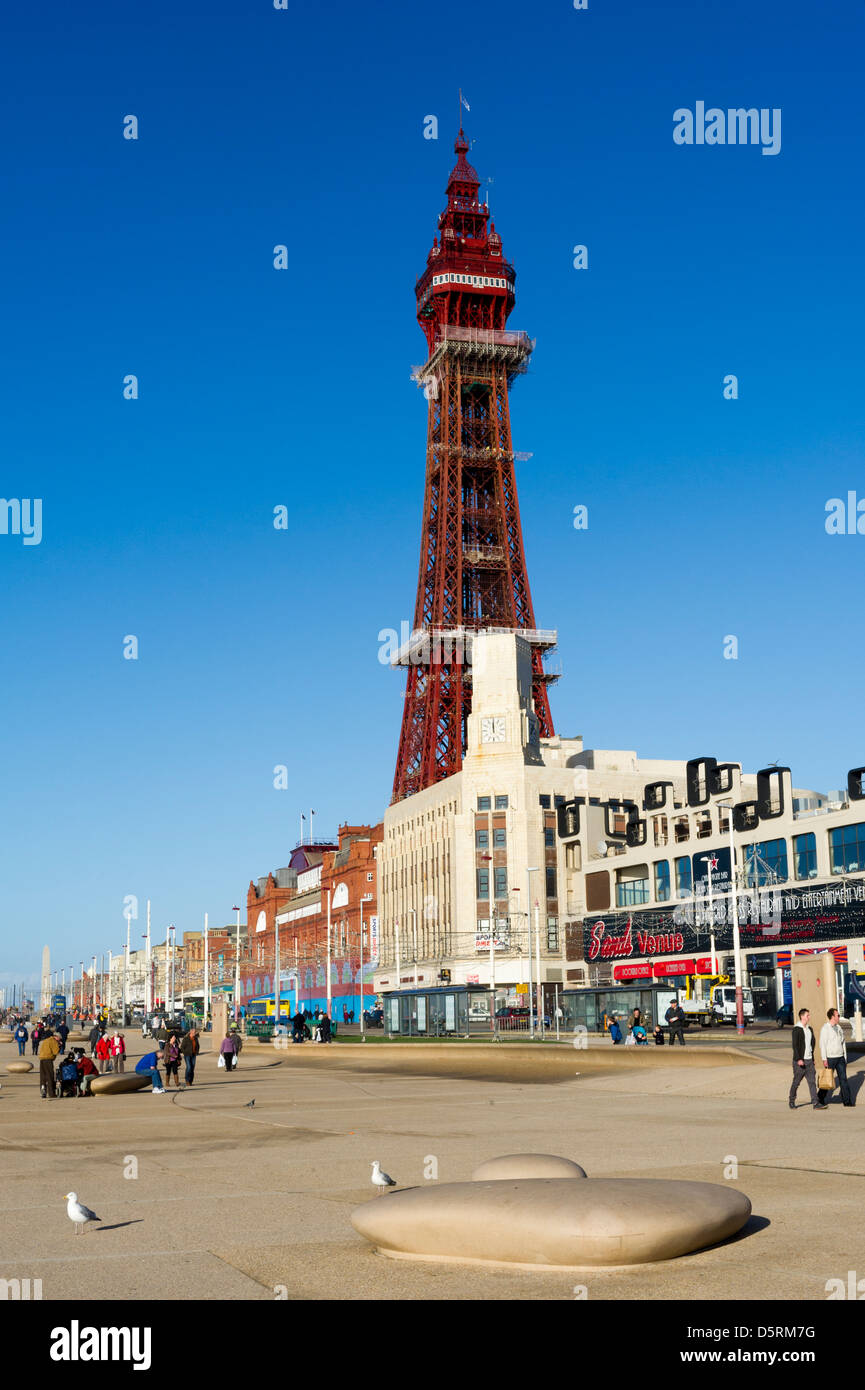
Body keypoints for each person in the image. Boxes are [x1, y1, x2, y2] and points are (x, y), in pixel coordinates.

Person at [817, 1007, 854, 1108]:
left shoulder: (839, 1028)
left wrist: (845, 1058)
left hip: (840, 1058)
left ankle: (847, 1101)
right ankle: (820, 1097)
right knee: (827, 1079)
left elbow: (843, 1044)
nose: (839, 1016)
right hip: (830, 1058)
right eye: (837, 1015)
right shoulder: (825, 1028)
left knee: (843, 1080)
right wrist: (824, 1059)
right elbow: (822, 1044)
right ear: (832, 1016)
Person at [789, 1007, 822, 1110]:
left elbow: (811, 1044)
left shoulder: (809, 1029)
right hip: (800, 1061)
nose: (809, 1017)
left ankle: (815, 1103)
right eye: (807, 1015)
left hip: (809, 1061)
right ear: (802, 1016)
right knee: (796, 1082)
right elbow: (795, 1046)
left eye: (809, 1015)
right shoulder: (796, 1029)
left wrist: (812, 1058)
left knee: (812, 1082)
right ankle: (791, 1100)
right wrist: (799, 1059)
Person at [37, 1030, 61, 1099]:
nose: (59, 1039)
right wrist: (59, 1045)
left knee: (43, 1077)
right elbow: (56, 1052)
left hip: (42, 1059)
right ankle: (51, 1093)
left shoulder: (46, 1040)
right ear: (56, 1037)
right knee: (50, 1076)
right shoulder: (53, 1041)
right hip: (48, 1060)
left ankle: (43, 1091)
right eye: (59, 1038)